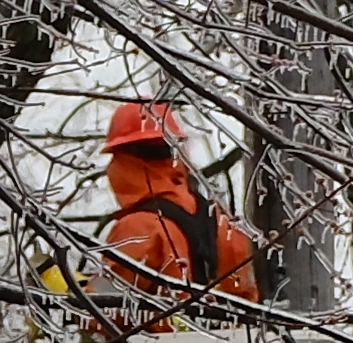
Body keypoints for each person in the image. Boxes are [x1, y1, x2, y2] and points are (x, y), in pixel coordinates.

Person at [93, 101, 258, 316]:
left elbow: (104, 312)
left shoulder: (137, 229)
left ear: (125, 158)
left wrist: (59, 285)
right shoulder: (222, 223)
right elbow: (247, 305)